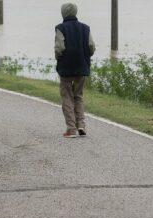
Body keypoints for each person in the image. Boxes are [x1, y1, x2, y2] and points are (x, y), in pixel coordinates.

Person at [54, 3, 95, 138]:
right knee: (78, 96)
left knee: (67, 97)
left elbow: (59, 48)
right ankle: (81, 125)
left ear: (63, 13)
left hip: (66, 68)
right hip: (81, 68)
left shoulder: (60, 28)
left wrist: (58, 59)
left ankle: (71, 129)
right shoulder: (85, 28)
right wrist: (85, 57)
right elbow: (91, 47)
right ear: (75, 12)